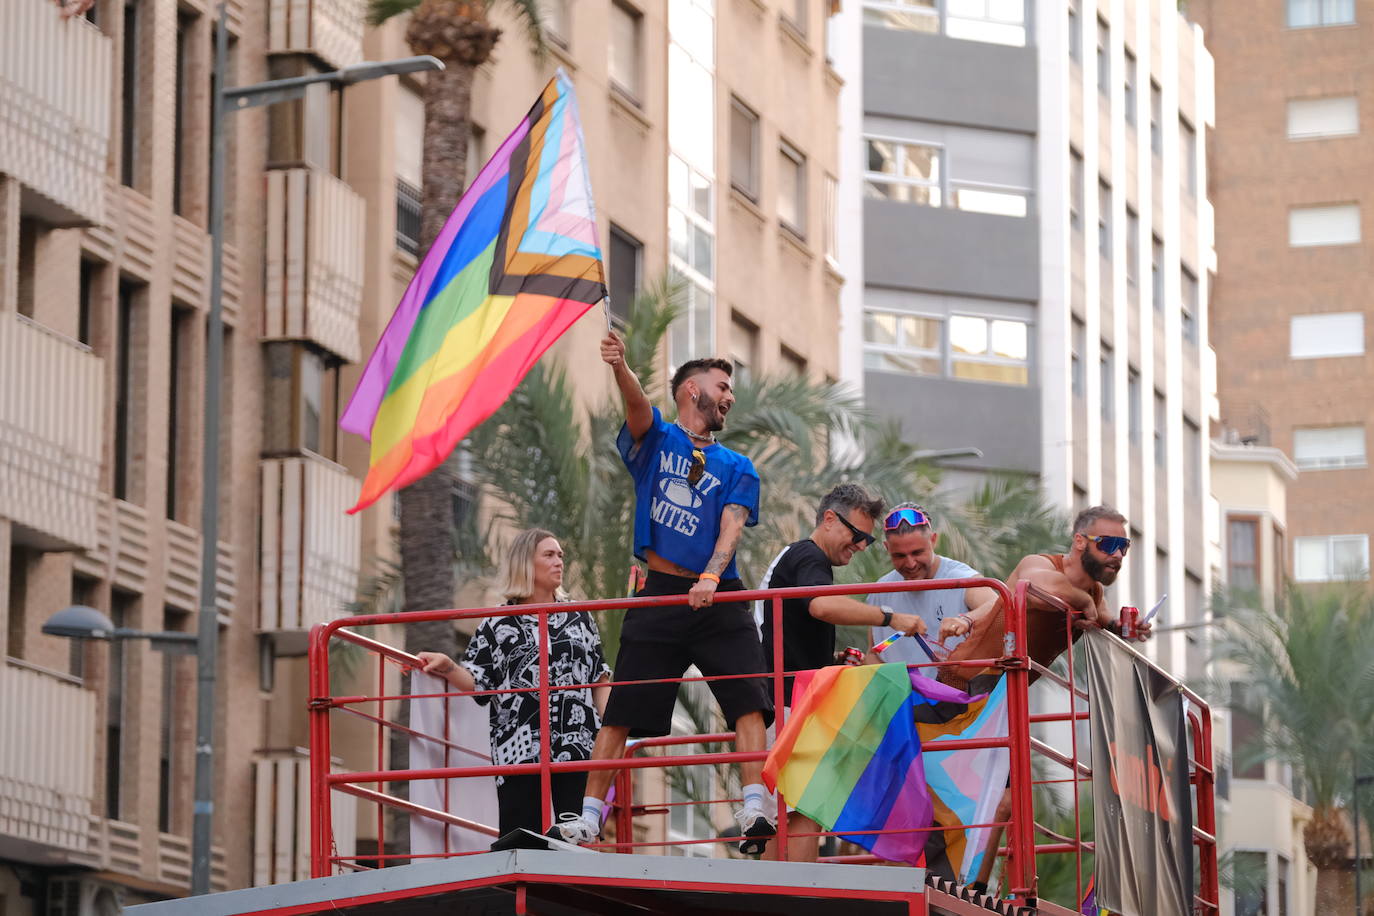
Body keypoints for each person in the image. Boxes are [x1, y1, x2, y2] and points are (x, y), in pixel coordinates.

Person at [548, 330, 774, 853]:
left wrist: (712, 578)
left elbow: (732, 527)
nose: (730, 398)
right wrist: (620, 364)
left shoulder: (739, 466)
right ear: (690, 390)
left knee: (749, 699)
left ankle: (755, 807)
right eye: (722, 387)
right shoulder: (656, 441)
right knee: (623, 709)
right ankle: (586, 818)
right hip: (660, 592)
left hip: (721, 594)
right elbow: (633, 405)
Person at [939, 505, 1151, 890]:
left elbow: (1102, 617)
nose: (1118, 555)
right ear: (1080, 541)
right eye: (1110, 544)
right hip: (964, 684)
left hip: (999, 698)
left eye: (1125, 546)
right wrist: (1084, 606)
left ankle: (973, 888)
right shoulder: (1040, 564)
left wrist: (1123, 626)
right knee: (965, 794)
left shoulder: (1094, 591)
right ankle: (964, 885)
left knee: (1000, 798)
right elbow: (1034, 589)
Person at [753, 483, 926, 861]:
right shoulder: (809, 557)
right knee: (797, 810)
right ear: (829, 519)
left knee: (801, 809)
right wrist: (891, 617)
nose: (862, 546)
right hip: (780, 702)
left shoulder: (801, 559)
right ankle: (793, 896)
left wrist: (831, 662)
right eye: (858, 535)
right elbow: (821, 606)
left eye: (867, 538)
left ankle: (791, 894)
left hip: (784, 698)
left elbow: (790, 630)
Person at [415, 529, 611, 842]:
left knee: (579, 841)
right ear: (525, 564)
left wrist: (611, 730)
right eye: (549, 555)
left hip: (577, 744)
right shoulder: (497, 623)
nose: (559, 561)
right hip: (518, 747)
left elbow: (599, 676)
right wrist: (448, 666)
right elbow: (479, 680)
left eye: (560, 554)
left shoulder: (578, 616)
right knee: (521, 841)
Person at [865, 503, 999, 667]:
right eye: (899, 556)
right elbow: (873, 652)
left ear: (933, 540)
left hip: (953, 691)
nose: (910, 564)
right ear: (887, 548)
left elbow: (997, 604)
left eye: (917, 552)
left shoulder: (959, 578)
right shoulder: (880, 590)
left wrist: (966, 620)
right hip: (900, 691)